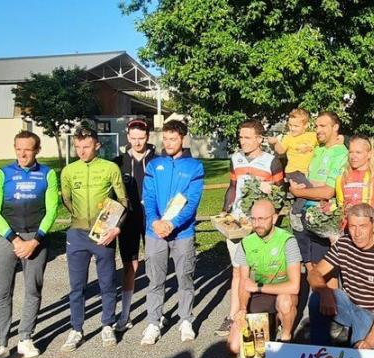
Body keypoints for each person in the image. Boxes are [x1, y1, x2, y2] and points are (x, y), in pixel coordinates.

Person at [0, 131, 59, 358]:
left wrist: (35, 241)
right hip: (7, 238)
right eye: (18, 148)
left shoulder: (48, 174)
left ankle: (25, 337)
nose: (23, 153)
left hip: (36, 237)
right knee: (2, 293)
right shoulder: (2, 174)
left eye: (28, 149)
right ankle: (0, 343)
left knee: (32, 290)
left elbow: (52, 210)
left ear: (37, 150)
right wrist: (15, 240)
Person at [59, 126, 128, 351]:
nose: (81, 151)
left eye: (86, 147)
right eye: (77, 147)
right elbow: (67, 201)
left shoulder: (110, 168)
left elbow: (123, 201)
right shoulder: (68, 171)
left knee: (107, 282)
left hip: (103, 233)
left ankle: (107, 324)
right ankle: (76, 329)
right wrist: (80, 219)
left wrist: (115, 228)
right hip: (77, 233)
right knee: (76, 286)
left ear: (97, 145)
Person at [215, 119, 284, 337]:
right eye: (240, 137)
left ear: (259, 139)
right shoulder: (235, 159)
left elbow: (281, 197)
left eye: (247, 137)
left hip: (261, 225)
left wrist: (271, 193)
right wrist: (225, 210)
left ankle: (266, 318)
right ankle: (233, 316)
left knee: (260, 272)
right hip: (238, 224)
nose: (242, 141)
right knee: (237, 271)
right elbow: (233, 187)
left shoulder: (272, 162)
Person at [140, 120, 204, 345]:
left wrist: (173, 223)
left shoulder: (195, 167)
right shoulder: (154, 165)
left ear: (183, 139)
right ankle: (153, 322)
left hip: (182, 233)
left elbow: (192, 201)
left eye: (173, 139)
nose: (168, 143)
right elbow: (148, 197)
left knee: (185, 278)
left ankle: (185, 319)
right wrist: (155, 221)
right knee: (155, 280)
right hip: (154, 231)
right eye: (165, 139)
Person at [308, 203, 374, 349]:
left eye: (363, 226)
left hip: (372, 312)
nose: (357, 233)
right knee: (316, 298)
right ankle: (319, 351)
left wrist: (370, 340)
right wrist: (324, 291)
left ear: (373, 224)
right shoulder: (344, 244)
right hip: (349, 303)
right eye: (352, 226)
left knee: (360, 353)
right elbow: (314, 273)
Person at [227, 199, 301, 354]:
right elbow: (243, 281)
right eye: (253, 219)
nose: (257, 223)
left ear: (274, 218)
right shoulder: (246, 243)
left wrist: (258, 287)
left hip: (283, 291)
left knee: (285, 303)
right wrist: (242, 308)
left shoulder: (288, 241)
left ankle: (286, 336)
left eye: (262, 219)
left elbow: (294, 286)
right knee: (234, 348)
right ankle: (271, 322)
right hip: (260, 294)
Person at [289, 111, 348, 267]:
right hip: (304, 215)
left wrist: (298, 192)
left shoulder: (341, 154)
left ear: (336, 127)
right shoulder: (317, 149)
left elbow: (328, 191)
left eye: (323, 126)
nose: (318, 130)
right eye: (316, 126)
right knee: (309, 268)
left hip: (323, 219)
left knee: (325, 272)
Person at [113, 119, 156, 332]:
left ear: (148, 137)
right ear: (128, 137)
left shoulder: (159, 160)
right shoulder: (117, 162)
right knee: (130, 266)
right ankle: (125, 314)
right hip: (128, 220)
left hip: (153, 219)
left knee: (156, 266)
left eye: (142, 138)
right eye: (134, 138)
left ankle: (156, 313)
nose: (138, 142)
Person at [267, 108, 319, 230]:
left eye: (296, 126)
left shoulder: (312, 136)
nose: (292, 128)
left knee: (310, 190)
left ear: (305, 125)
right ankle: (295, 212)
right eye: (290, 125)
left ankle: (308, 214)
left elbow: (324, 140)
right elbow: (280, 151)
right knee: (309, 190)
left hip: (307, 172)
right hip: (293, 171)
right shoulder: (288, 138)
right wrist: (275, 143)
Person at [335, 135, 374, 227]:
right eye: (351, 152)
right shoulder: (341, 178)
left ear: (369, 154)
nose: (353, 156)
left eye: (358, 152)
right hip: (348, 231)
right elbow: (340, 209)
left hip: (373, 231)